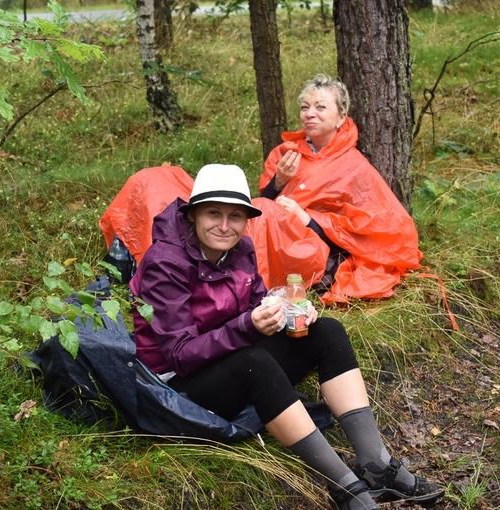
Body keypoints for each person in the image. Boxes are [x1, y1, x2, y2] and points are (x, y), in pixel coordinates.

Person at [129, 164, 444, 509]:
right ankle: (346, 489)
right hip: (177, 387)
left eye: (235, 216)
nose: (224, 225)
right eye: (213, 213)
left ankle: (377, 465)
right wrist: (247, 326)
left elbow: (257, 304)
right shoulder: (165, 264)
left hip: (227, 361)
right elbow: (180, 354)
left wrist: (290, 311)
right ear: (192, 215)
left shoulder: (241, 250)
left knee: (327, 331)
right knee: (254, 361)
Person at [247, 74, 424, 304]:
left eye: (320, 107)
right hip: (280, 239)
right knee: (256, 209)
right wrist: (279, 181)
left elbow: (365, 234)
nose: (310, 113)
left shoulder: (353, 165)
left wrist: (308, 219)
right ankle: (253, 291)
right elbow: (263, 207)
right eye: (305, 107)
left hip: (316, 250)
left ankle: (257, 293)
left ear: (341, 118)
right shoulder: (286, 152)